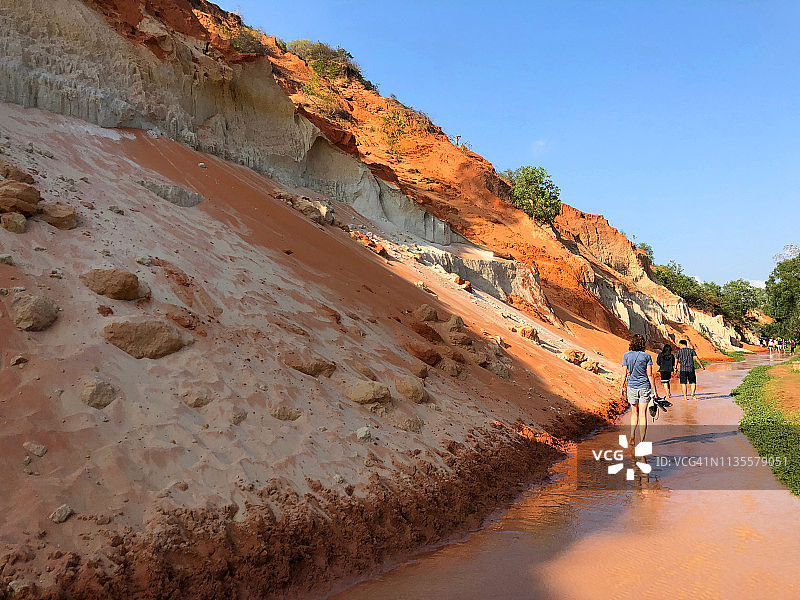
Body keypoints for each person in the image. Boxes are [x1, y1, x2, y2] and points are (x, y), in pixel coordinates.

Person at [621, 334, 658, 445]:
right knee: (642, 414)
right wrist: (654, 390)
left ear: (632, 343)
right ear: (643, 344)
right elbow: (650, 374)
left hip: (631, 386)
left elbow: (624, 373)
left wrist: (621, 387)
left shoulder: (626, 355)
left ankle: (632, 435)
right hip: (644, 386)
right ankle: (642, 440)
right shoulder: (647, 356)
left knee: (634, 412)